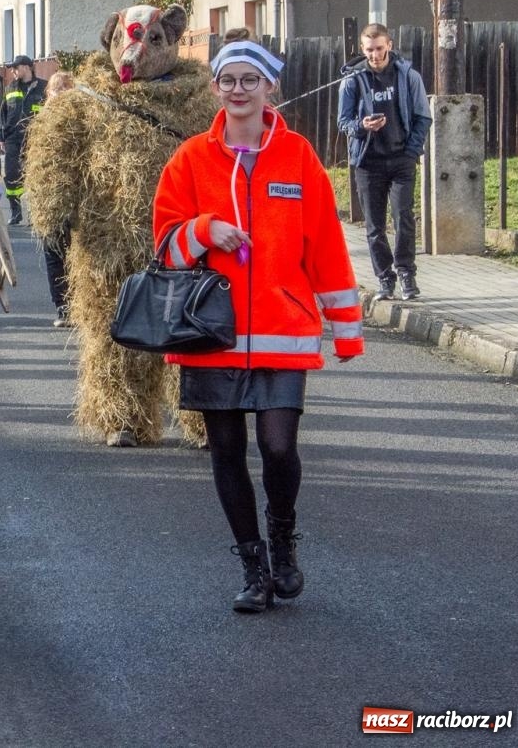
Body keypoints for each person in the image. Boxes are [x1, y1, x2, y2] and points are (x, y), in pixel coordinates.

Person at [153, 37, 363, 613]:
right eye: (228, 80)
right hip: (210, 336)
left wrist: (345, 327)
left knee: (277, 448)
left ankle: (283, 544)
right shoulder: (191, 157)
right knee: (225, 450)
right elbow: (164, 242)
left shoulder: (298, 157)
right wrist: (203, 230)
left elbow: (326, 247)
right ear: (215, 88)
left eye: (250, 80)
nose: (238, 91)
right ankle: (252, 568)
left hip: (282, 330)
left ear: (271, 87)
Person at [338, 23, 431, 301]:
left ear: (389, 45)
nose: (375, 55)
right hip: (368, 161)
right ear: (362, 50)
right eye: (369, 50)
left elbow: (423, 117)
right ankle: (384, 278)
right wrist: (362, 126)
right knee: (374, 225)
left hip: (401, 157)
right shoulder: (353, 80)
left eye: (379, 49)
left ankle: (406, 274)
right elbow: (343, 122)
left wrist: (412, 151)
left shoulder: (408, 76)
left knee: (403, 217)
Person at [38, 70, 75, 327]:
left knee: (76, 252)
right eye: (56, 90)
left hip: (75, 198)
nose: (60, 95)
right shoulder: (41, 123)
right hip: (50, 199)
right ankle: (62, 305)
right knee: (54, 252)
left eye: (66, 90)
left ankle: (77, 304)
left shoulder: (80, 121)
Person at [0, 54, 46, 225]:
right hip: (13, 139)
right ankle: (15, 211)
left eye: (16, 68)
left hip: (35, 140)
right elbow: (2, 115)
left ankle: (35, 214)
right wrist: (1, 138)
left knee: (34, 176)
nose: (13, 71)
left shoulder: (43, 87)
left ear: (26, 67)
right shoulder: (10, 88)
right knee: (11, 175)